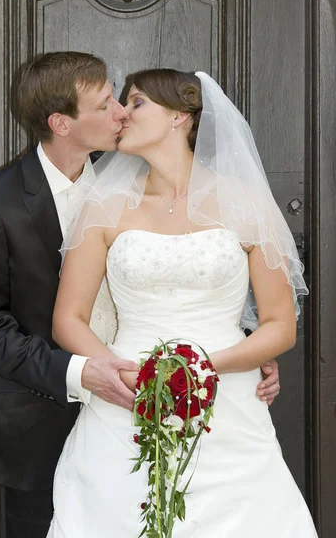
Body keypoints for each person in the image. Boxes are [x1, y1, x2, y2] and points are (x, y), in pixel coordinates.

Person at [47, 69, 317, 537]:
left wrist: (204, 368)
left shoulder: (247, 203)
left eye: (136, 103)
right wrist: (129, 377)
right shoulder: (103, 207)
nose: (121, 115)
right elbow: (68, 318)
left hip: (227, 400)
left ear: (179, 116)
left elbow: (279, 324)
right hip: (126, 393)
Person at [0, 51, 140, 538]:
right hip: (36, 429)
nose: (122, 113)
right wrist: (81, 373)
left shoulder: (139, 188)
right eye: (104, 106)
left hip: (142, 423)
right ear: (61, 122)